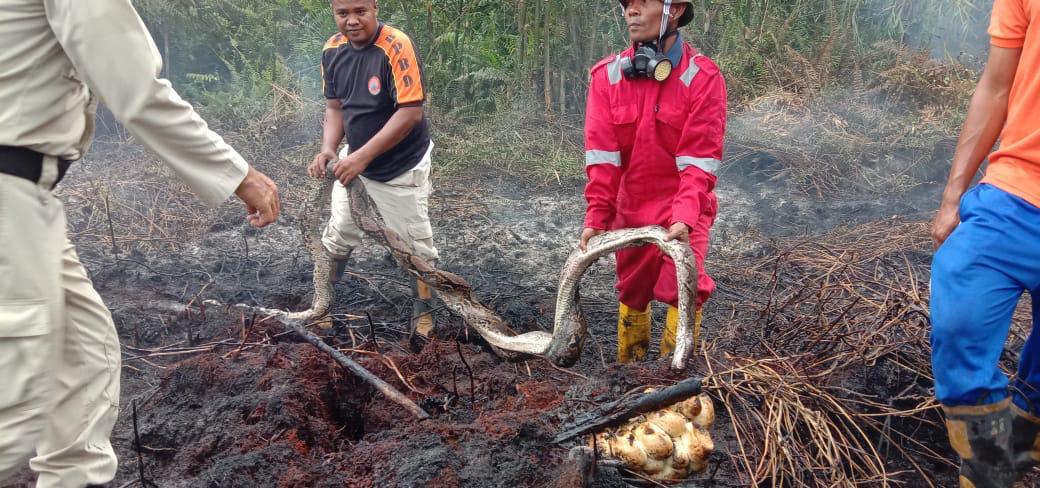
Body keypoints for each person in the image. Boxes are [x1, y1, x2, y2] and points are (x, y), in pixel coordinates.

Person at [0, 1, 281, 487]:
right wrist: (239, 174)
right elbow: (135, 90)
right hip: (9, 196)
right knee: (14, 407)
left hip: (27, 195)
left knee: (85, 356)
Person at [930, 0, 1040, 485]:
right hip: (1013, 190)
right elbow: (996, 87)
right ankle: (990, 467)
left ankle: (1028, 435)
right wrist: (954, 194)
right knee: (959, 317)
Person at [581, 0, 725, 363]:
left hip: (684, 207)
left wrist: (684, 216)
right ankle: (629, 376)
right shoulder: (607, 77)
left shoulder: (702, 78)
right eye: (627, 5)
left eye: (642, 3)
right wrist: (597, 217)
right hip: (631, 210)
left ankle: (672, 380)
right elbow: (603, 159)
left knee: (682, 287)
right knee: (632, 291)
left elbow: (698, 162)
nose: (631, 11)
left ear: (674, 10)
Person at [308, 0, 439, 340]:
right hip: (354, 164)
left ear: (374, 8)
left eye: (360, 12)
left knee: (414, 247)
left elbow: (410, 113)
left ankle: (424, 313)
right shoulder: (332, 49)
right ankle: (324, 303)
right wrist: (328, 149)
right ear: (333, 13)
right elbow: (335, 107)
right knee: (337, 236)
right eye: (342, 14)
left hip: (400, 166)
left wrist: (361, 157)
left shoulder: (396, 45)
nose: (352, 21)